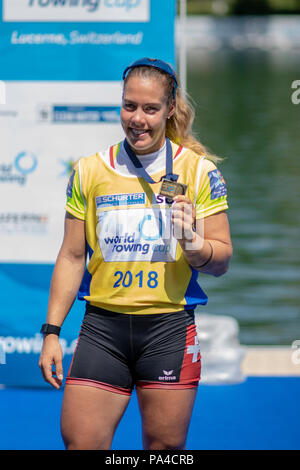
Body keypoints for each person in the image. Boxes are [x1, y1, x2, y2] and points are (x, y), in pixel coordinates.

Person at [39, 57, 232, 450]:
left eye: (150, 108)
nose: (137, 119)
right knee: (81, 444)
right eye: (129, 106)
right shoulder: (89, 170)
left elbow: (222, 259)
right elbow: (73, 256)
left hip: (168, 329)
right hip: (102, 330)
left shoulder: (198, 171)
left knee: (163, 452)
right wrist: (52, 332)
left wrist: (194, 246)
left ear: (170, 109)